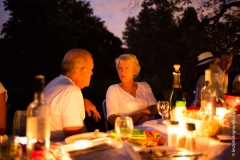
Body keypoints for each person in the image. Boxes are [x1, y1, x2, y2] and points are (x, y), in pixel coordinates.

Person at [44, 48, 100, 142]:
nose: (92, 73)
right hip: (58, 152)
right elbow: (74, 141)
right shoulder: (71, 92)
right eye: (91, 69)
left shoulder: (52, 84)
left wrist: (82, 101)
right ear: (84, 71)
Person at [106, 54, 158, 126]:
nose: (122, 72)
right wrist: (131, 121)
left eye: (127, 68)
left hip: (150, 127)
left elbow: (154, 107)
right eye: (120, 68)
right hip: (128, 129)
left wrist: (137, 114)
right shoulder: (113, 89)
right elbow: (111, 117)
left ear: (134, 71)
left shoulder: (144, 86)